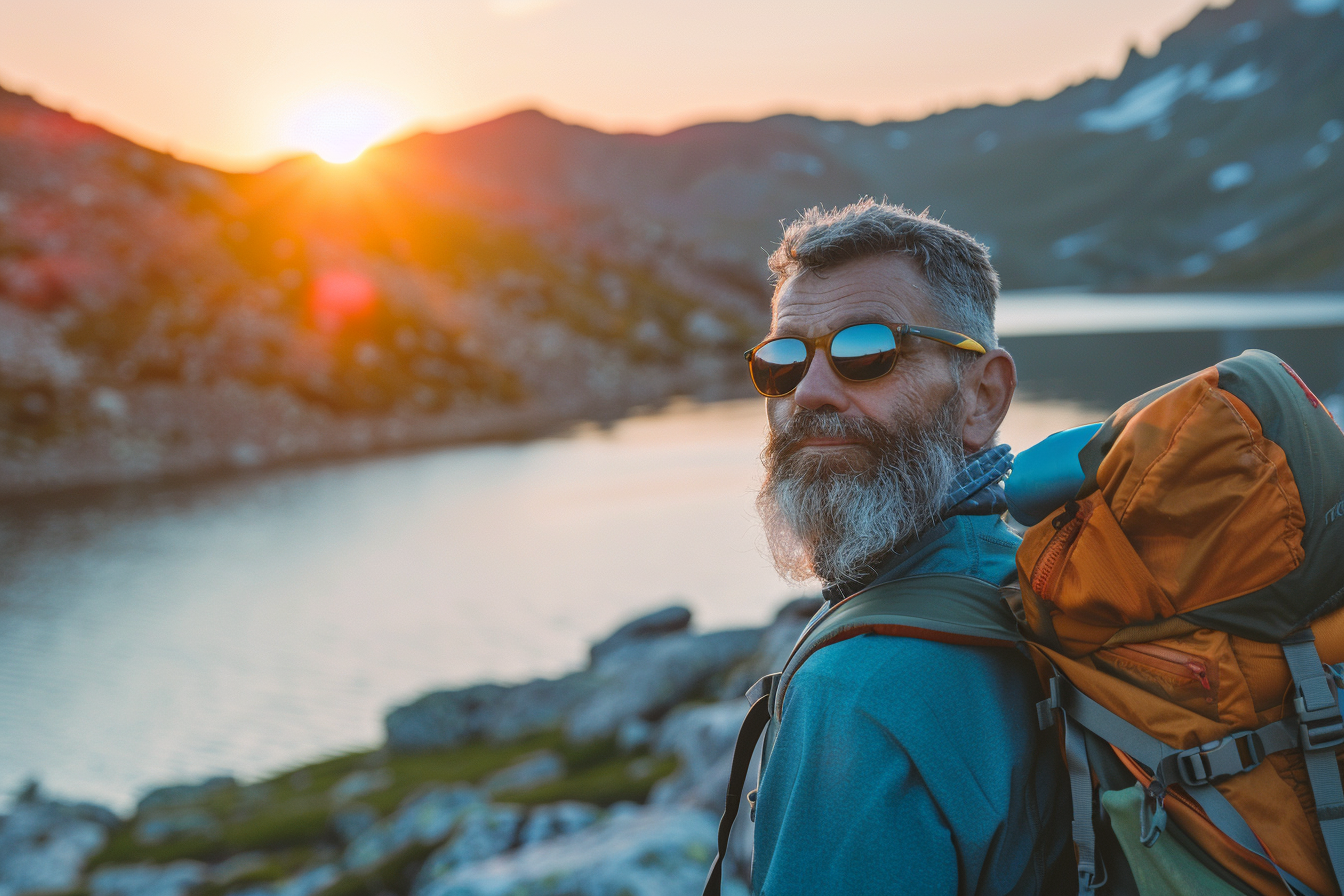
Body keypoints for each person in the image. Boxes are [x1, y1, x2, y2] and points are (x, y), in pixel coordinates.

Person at [746, 200, 1071, 895]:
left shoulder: (855, 694)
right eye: (781, 361)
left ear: (982, 395)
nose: (808, 393)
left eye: (868, 352)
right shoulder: (1037, 574)